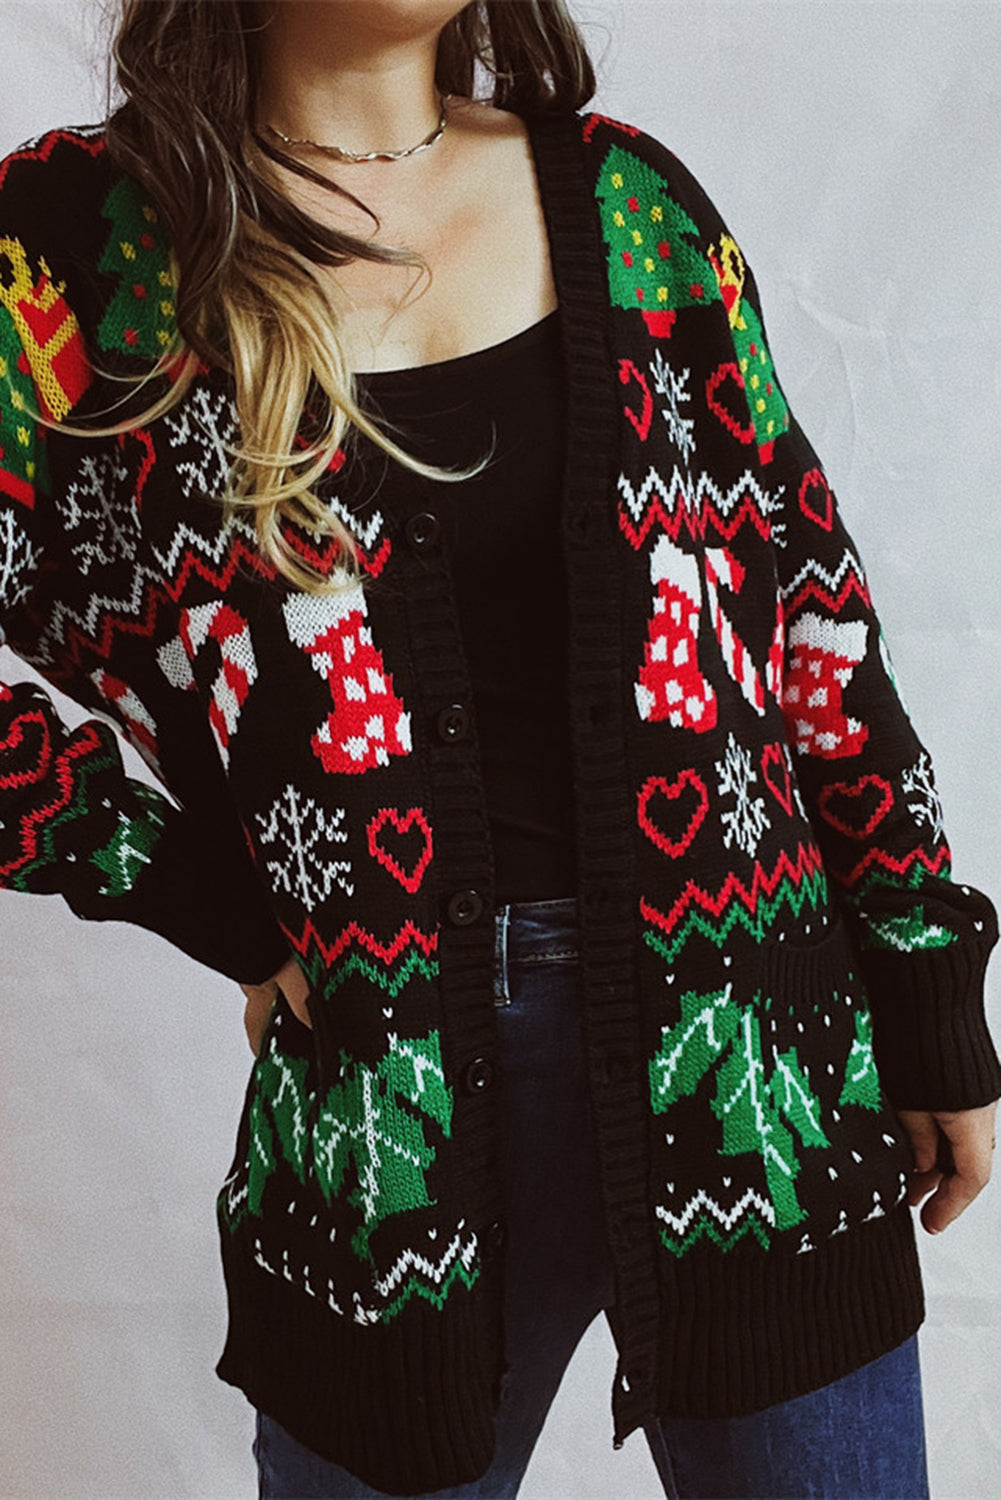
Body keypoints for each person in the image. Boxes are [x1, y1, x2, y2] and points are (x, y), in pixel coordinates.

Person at [0, 1, 998, 1496]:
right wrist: (194, 888)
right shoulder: (75, 251)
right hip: (387, 1132)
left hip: (762, 1071)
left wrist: (924, 982)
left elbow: (813, 615)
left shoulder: (627, 205)